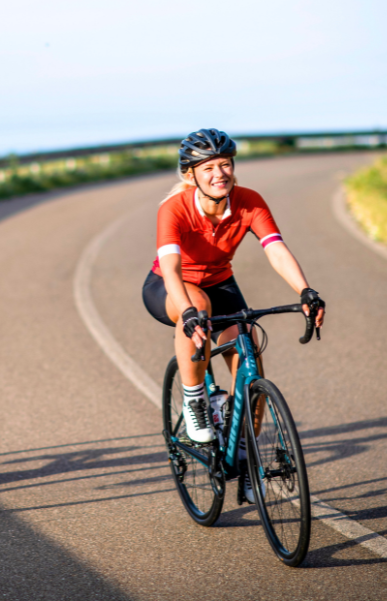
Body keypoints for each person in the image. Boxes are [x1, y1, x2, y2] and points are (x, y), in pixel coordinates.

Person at [142, 128, 325, 501]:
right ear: (190, 175)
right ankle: (195, 400)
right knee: (200, 309)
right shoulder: (174, 209)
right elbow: (172, 268)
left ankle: (245, 460)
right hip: (169, 287)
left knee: (249, 354)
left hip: (222, 284)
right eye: (207, 168)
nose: (219, 173)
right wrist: (190, 313)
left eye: (225, 165)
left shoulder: (248, 201)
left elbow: (275, 248)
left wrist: (305, 291)